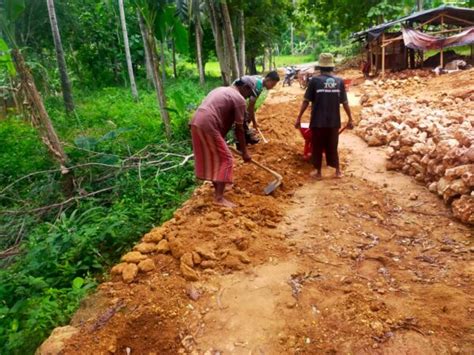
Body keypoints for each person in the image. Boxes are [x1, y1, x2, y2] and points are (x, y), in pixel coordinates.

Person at [190, 80, 256, 207]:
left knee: (213, 157)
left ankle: (218, 189)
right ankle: (219, 198)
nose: (247, 98)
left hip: (196, 121)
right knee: (226, 159)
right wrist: (245, 152)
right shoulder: (239, 99)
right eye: (248, 94)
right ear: (245, 87)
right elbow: (239, 128)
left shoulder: (220, 89)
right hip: (208, 123)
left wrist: (221, 139)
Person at [294, 53, 353, 179]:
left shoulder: (315, 81)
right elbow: (345, 102)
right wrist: (350, 119)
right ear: (332, 67)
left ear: (320, 67)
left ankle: (318, 172)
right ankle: (337, 171)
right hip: (333, 121)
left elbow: (306, 101)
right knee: (333, 145)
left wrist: (299, 117)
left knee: (317, 146)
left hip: (318, 121)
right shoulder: (339, 81)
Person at [235, 71, 280, 145]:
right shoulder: (258, 86)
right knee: (244, 118)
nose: (272, 87)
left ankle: (246, 137)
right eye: (272, 84)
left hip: (237, 93)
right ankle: (239, 141)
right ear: (268, 79)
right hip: (235, 95)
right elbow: (251, 107)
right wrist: (254, 122)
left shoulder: (260, 80)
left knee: (246, 116)